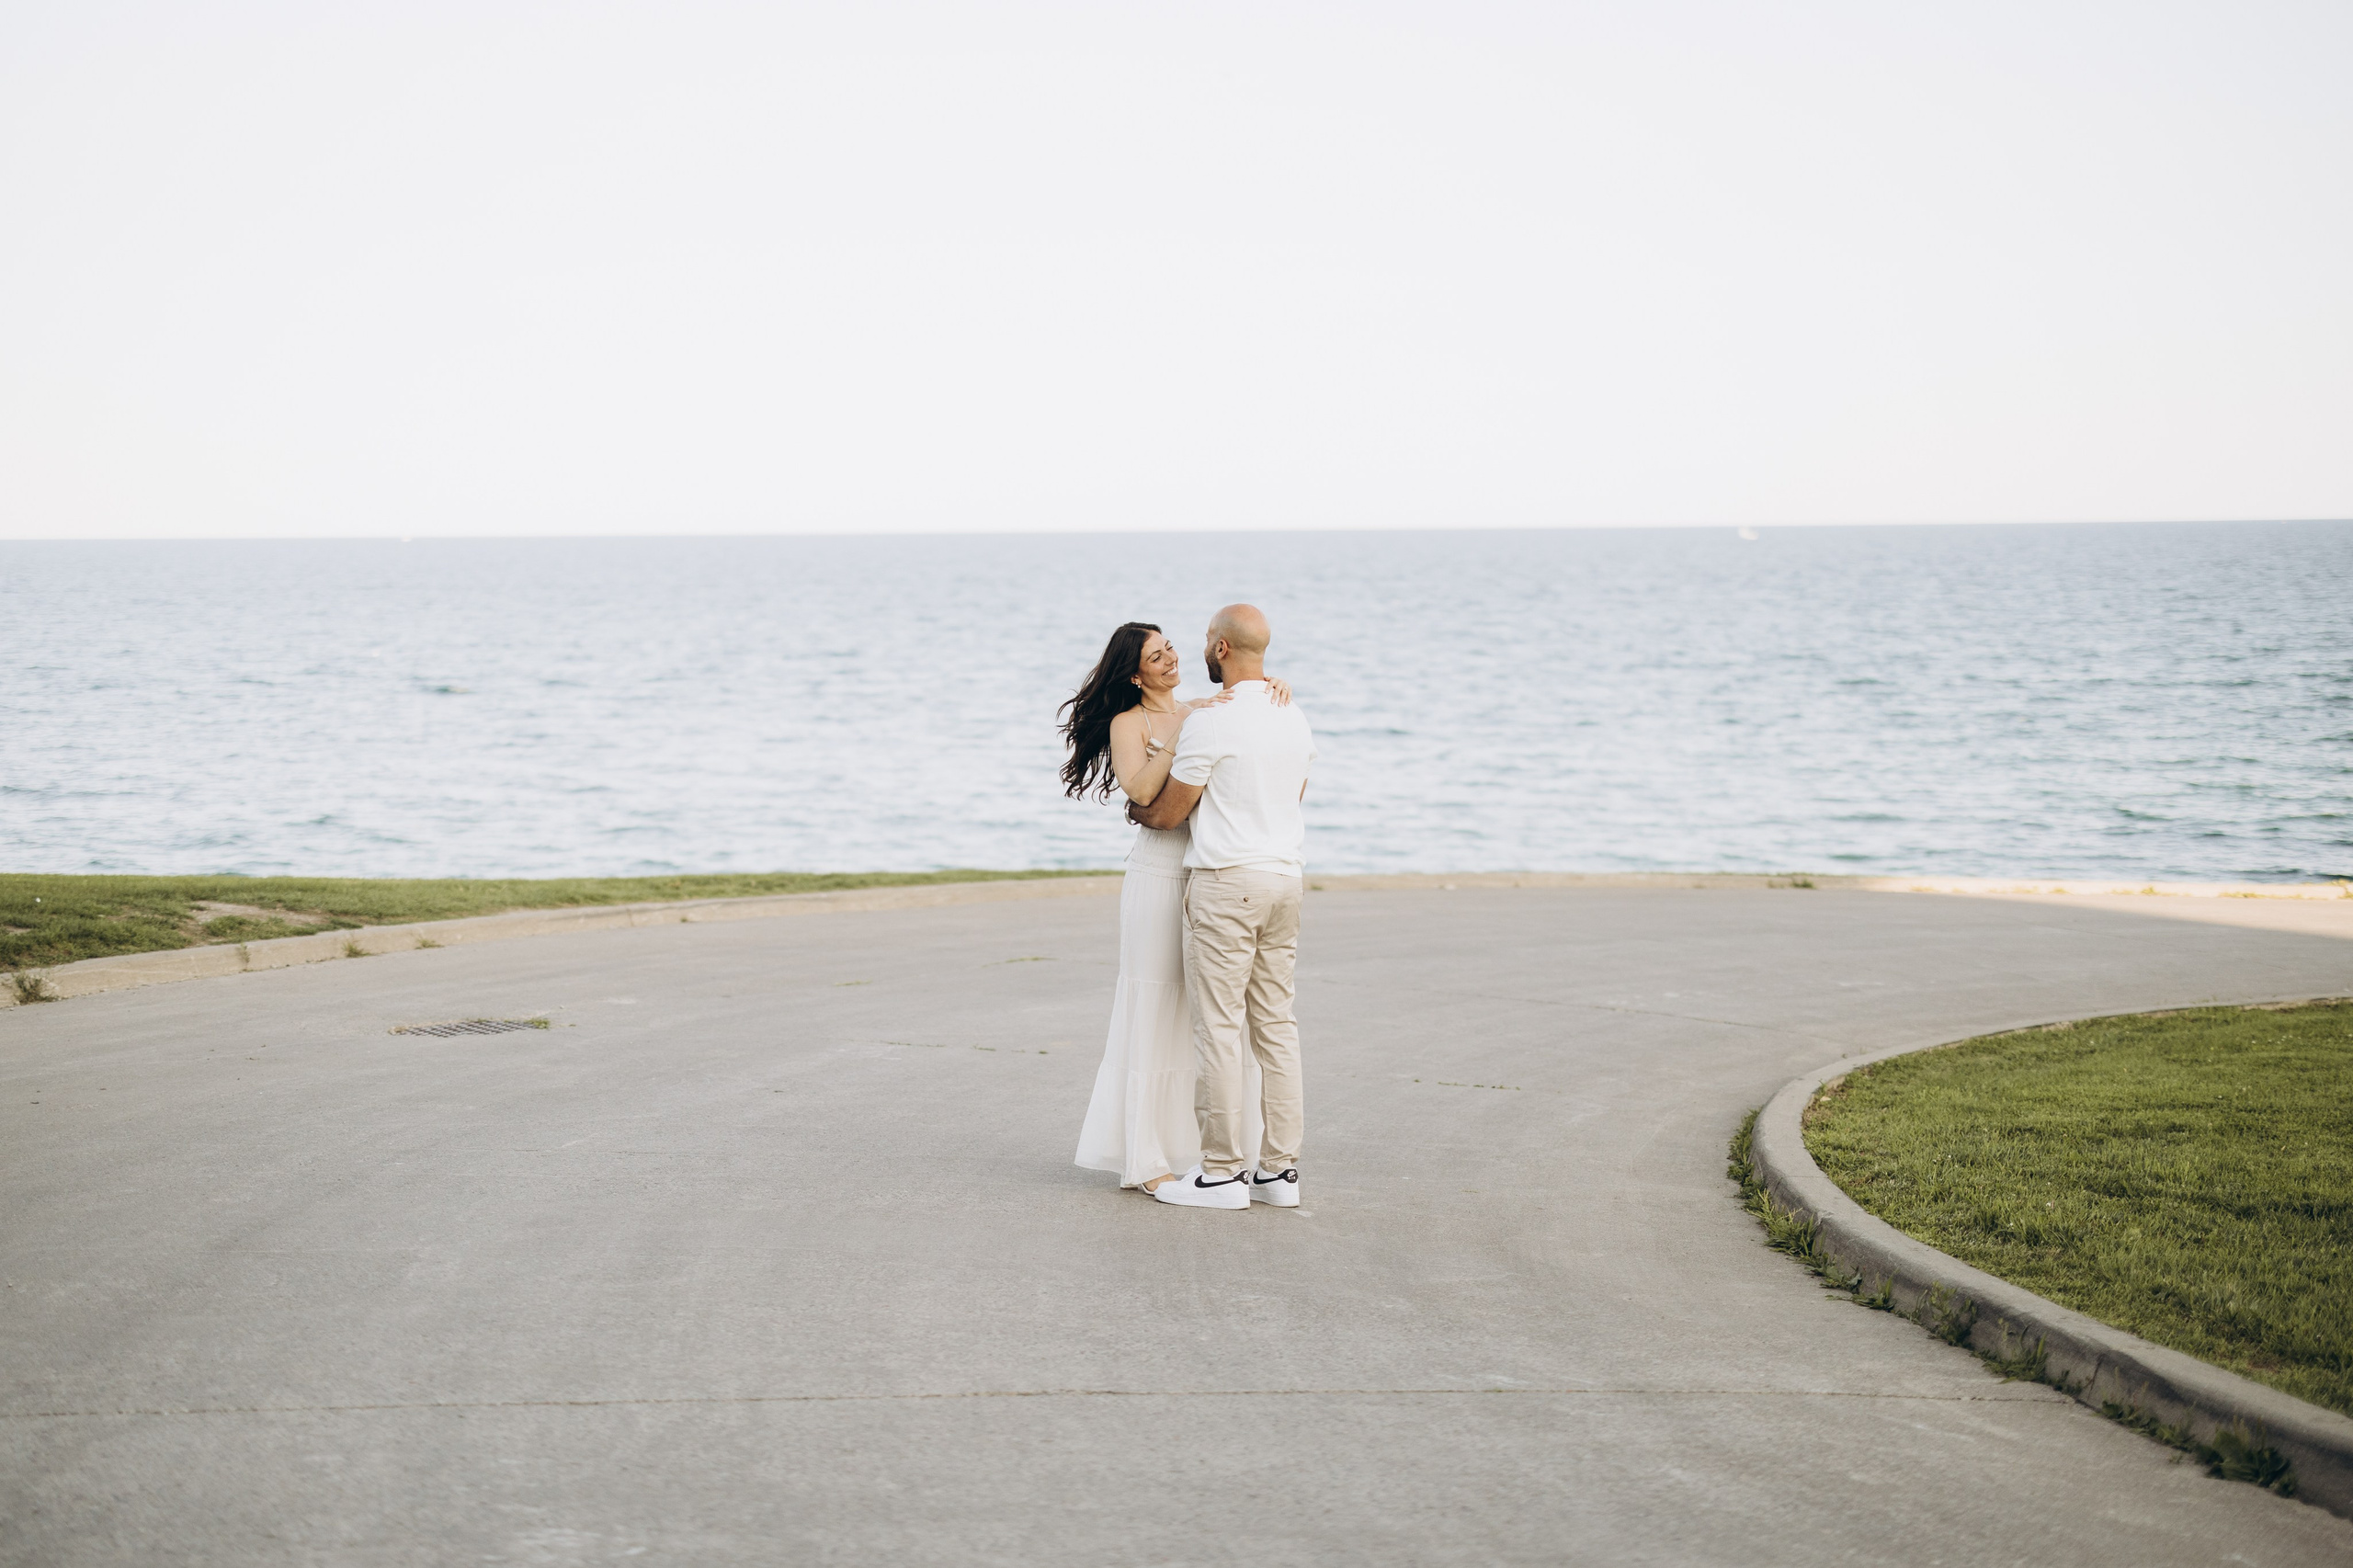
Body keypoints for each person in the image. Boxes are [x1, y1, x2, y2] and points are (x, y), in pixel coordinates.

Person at [1062, 623, 1290, 1194]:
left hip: (1210, 868)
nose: (1169, 659)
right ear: (1135, 674)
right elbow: (1139, 792)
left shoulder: (1202, 709)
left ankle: (1203, 1149)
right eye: (1154, 656)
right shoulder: (1130, 722)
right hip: (1158, 873)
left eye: (1169, 648)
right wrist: (1179, 730)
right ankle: (1145, 1158)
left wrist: (1269, 690)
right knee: (1154, 1000)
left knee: (1206, 1012)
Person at [1126, 605, 1315, 1211]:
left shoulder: (1212, 723)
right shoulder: (1295, 716)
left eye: (1207, 640)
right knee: (1277, 1028)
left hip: (1226, 885)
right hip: (1285, 880)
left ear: (1224, 650)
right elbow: (1293, 796)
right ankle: (1280, 1173)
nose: (1200, 649)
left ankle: (1222, 1173)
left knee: (1220, 1031)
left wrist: (1140, 814)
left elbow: (1170, 812)